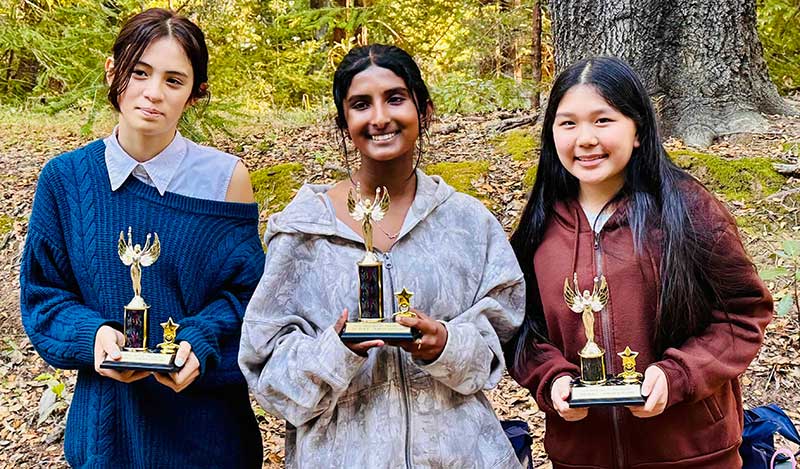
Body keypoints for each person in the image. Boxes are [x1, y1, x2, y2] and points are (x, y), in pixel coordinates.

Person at [238, 44, 525, 468]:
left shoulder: (468, 223)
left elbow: (503, 336)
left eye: (395, 98)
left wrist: (445, 345)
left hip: (463, 457)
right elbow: (266, 371)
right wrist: (337, 352)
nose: (379, 117)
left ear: (423, 110)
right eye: (360, 104)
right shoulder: (302, 232)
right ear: (343, 122)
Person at [20, 8, 263, 468]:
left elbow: (248, 298)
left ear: (195, 94)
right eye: (140, 72)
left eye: (174, 80)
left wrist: (202, 339)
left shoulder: (225, 179)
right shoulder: (66, 181)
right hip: (108, 437)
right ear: (113, 71)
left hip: (209, 439)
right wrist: (94, 336)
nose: (153, 93)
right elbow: (44, 295)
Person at [505, 55, 773, 468]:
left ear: (638, 131)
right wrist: (552, 379)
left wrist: (676, 375)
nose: (585, 139)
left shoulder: (687, 210)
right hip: (583, 457)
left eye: (603, 120)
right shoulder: (540, 226)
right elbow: (522, 330)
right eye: (568, 123)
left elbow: (742, 314)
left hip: (694, 455)